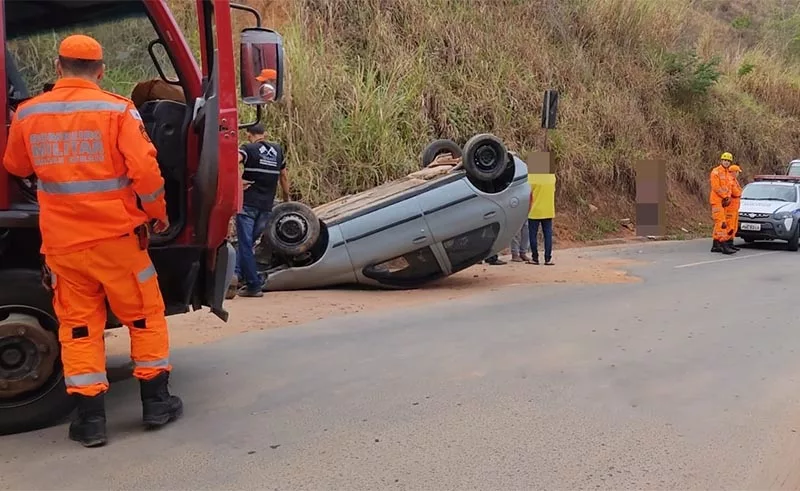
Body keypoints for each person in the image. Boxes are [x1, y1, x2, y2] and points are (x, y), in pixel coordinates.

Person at [2, 35, 182, 448]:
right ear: (100, 70)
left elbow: (15, 165)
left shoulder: (29, 114)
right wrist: (158, 215)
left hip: (64, 246)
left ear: (57, 66)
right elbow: (146, 172)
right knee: (144, 316)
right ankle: (156, 403)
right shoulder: (117, 110)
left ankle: (90, 421)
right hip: (118, 240)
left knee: (79, 327)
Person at [228, 123, 289, 298]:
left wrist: (237, 182)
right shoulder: (277, 151)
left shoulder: (248, 148)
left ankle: (253, 285)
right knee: (247, 244)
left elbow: (233, 160)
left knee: (245, 244)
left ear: (248, 135)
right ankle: (236, 275)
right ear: (265, 133)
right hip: (266, 207)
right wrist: (286, 199)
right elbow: (283, 176)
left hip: (248, 205)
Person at [710, 152, 737, 255]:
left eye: (728, 161)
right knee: (722, 224)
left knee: (719, 223)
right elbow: (716, 187)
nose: (726, 162)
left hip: (725, 202)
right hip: (717, 201)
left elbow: (730, 187)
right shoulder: (715, 172)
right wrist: (725, 196)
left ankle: (716, 245)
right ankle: (724, 244)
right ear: (721, 160)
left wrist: (728, 197)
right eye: (725, 160)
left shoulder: (728, 174)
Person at [528, 171, 557, 265]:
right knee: (548, 235)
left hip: (534, 210)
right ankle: (548, 258)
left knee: (533, 235)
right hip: (548, 210)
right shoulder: (551, 177)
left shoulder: (532, 176)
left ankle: (535, 258)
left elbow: (528, 192)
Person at [726, 164, 743, 251]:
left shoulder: (734, 180)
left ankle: (731, 243)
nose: (738, 174)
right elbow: (736, 193)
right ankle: (727, 244)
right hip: (730, 208)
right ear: (734, 172)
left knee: (734, 226)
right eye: (737, 172)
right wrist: (740, 192)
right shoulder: (730, 181)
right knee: (730, 227)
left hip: (735, 208)